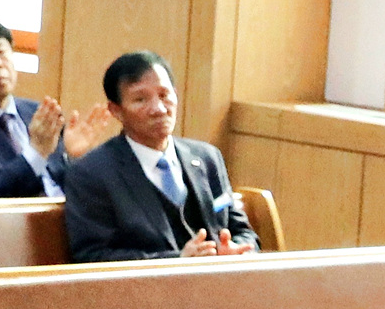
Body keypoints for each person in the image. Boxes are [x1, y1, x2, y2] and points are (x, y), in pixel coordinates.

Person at [60, 51, 258, 260]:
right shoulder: (91, 173)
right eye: (140, 100)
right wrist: (176, 261)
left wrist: (235, 249)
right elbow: (93, 256)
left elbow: (243, 232)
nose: (159, 109)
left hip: (220, 278)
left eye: (164, 95)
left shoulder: (207, 158)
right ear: (116, 110)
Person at [0, 16, 109, 199]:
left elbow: (63, 187)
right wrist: (36, 152)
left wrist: (73, 157)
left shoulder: (37, 113)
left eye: (0, 51)